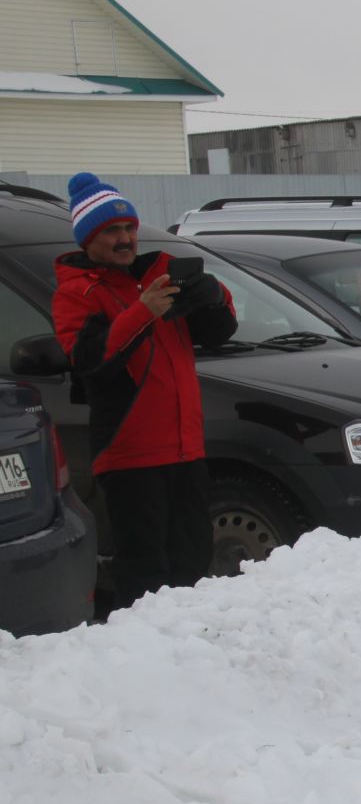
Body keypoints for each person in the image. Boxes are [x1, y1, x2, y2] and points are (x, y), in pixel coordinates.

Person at [53, 172, 235, 610]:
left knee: (192, 561)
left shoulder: (159, 274)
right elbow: (91, 362)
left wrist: (214, 296)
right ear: (88, 240)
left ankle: (193, 647)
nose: (125, 238)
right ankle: (145, 660)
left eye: (130, 228)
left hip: (185, 448)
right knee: (145, 569)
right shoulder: (78, 294)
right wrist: (143, 311)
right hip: (130, 455)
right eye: (111, 231)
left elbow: (219, 332)